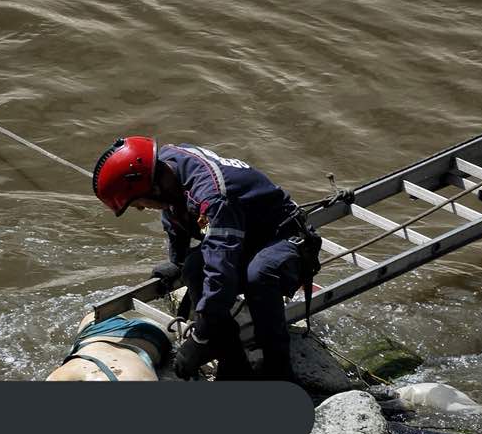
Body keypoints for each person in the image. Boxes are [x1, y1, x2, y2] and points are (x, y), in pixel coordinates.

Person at [92, 136, 318, 380]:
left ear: (153, 188)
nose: (140, 208)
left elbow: (220, 270)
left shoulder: (212, 194)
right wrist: (177, 261)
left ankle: (279, 371)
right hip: (245, 234)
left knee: (259, 275)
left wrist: (200, 337)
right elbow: (174, 213)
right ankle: (234, 365)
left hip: (282, 237)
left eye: (138, 202)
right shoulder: (167, 170)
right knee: (192, 267)